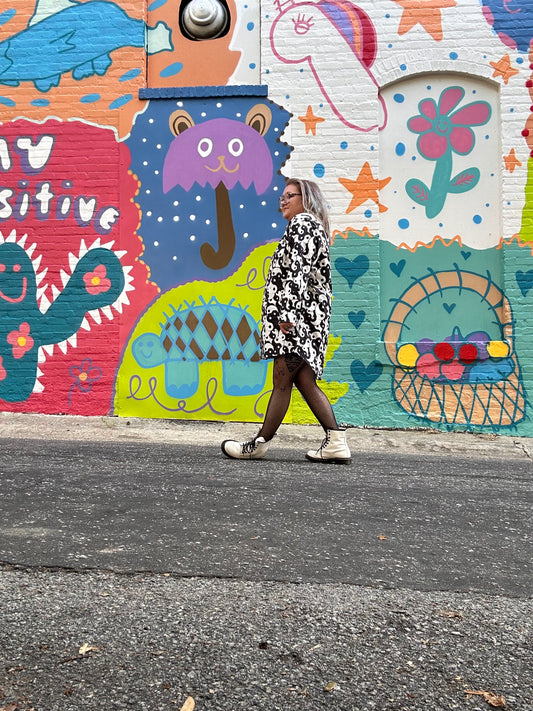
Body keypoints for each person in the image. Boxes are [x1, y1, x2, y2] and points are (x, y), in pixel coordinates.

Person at [221, 178, 351, 464]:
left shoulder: (303, 224)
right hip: (306, 320)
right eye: (282, 196)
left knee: (282, 380)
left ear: (306, 199)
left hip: (297, 321)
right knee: (303, 381)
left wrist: (288, 315)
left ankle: (258, 444)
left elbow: (296, 272)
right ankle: (335, 440)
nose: (282, 200)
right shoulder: (310, 226)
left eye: (289, 195)